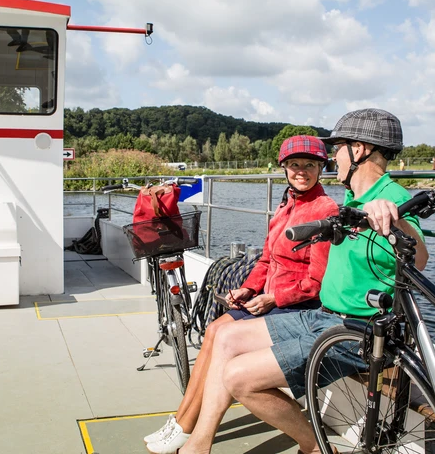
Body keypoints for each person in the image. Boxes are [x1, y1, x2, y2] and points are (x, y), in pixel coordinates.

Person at [175, 108, 428, 454]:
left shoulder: (392, 197)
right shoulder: (353, 198)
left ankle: (315, 448)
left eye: (336, 148)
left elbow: (420, 259)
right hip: (325, 317)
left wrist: (395, 221)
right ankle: (199, 444)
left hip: (360, 332)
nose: (332, 158)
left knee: (238, 377)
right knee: (224, 336)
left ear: (358, 150)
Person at [144, 136, 338, 454]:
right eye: (294, 165)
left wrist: (273, 298)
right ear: (285, 169)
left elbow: (316, 283)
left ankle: (191, 431)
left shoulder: (324, 210)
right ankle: (184, 423)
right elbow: (266, 260)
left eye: (309, 165)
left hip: (295, 305)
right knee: (213, 330)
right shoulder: (285, 206)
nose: (301, 171)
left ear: (321, 169)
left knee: (223, 334)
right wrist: (248, 288)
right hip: (268, 299)